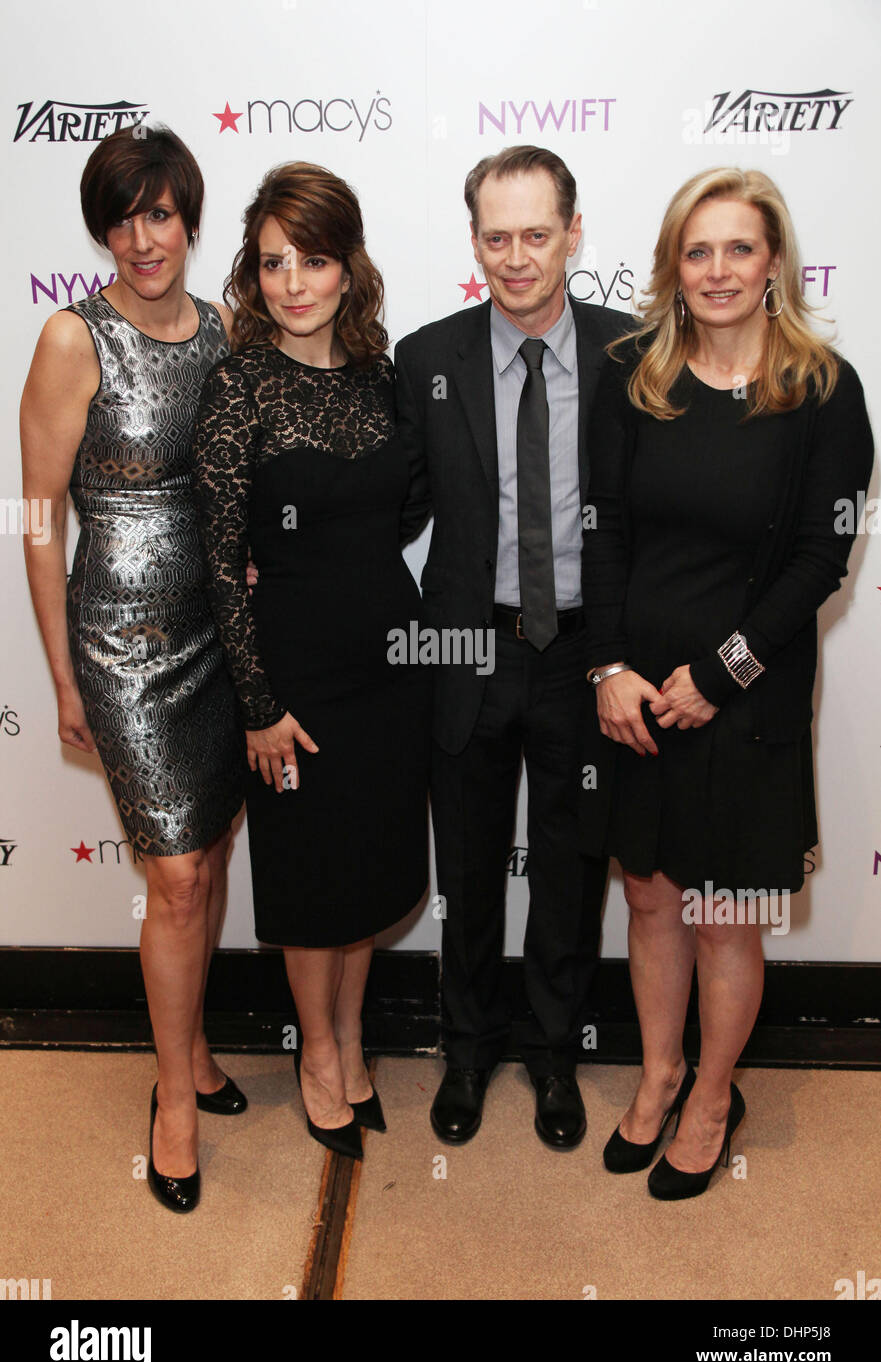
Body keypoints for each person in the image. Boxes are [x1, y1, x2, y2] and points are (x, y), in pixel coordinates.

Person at [582, 166, 874, 1199]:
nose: (714, 270)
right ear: (672, 265)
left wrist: (719, 674)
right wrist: (609, 669)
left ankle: (712, 1093)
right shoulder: (632, 377)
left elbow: (817, 562)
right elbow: (603, 534)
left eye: (736, 248)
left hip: (744, 705)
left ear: (773, 264)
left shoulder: (823, 392)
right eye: (695, 250)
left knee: (721, 912)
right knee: (651, 898)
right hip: (635, 702)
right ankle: (657, 1075)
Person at [20, 125, 247, 1215]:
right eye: (120, 216)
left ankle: (196, 1045)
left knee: (206, 854)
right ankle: (173, 1097)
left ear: (189, 220)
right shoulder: (73, 338)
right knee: (174, 876)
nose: (140, 236)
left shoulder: (226, 328)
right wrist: (63, 675)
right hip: (118, 640)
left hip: (219, 627)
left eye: (159, 213)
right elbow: (36, 516)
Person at [192, 162, 430, 1162]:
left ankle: (352, 1037)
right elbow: (217, 556)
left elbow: (409, 508)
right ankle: (317, 1056)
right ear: (253, 269)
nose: (293, 282)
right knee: (308, 881)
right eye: (273, 260)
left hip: (389, 665)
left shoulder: (384, 379)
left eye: (314, 259)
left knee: (370, 878)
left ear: (347, 267)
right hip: (288, 677)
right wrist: (255, 702)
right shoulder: (237, 386)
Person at [394, 145, 630, 1147]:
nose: (518, 256)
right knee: (469, 867)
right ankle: (464, 1049)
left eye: (537, 234)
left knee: (570, 873)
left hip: (584, 658)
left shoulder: (630, 355)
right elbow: (387, 503)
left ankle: (552, 1054)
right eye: (497, 236)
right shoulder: (425, 359)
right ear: (474, 240)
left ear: (573, 233)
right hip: (465, 646)